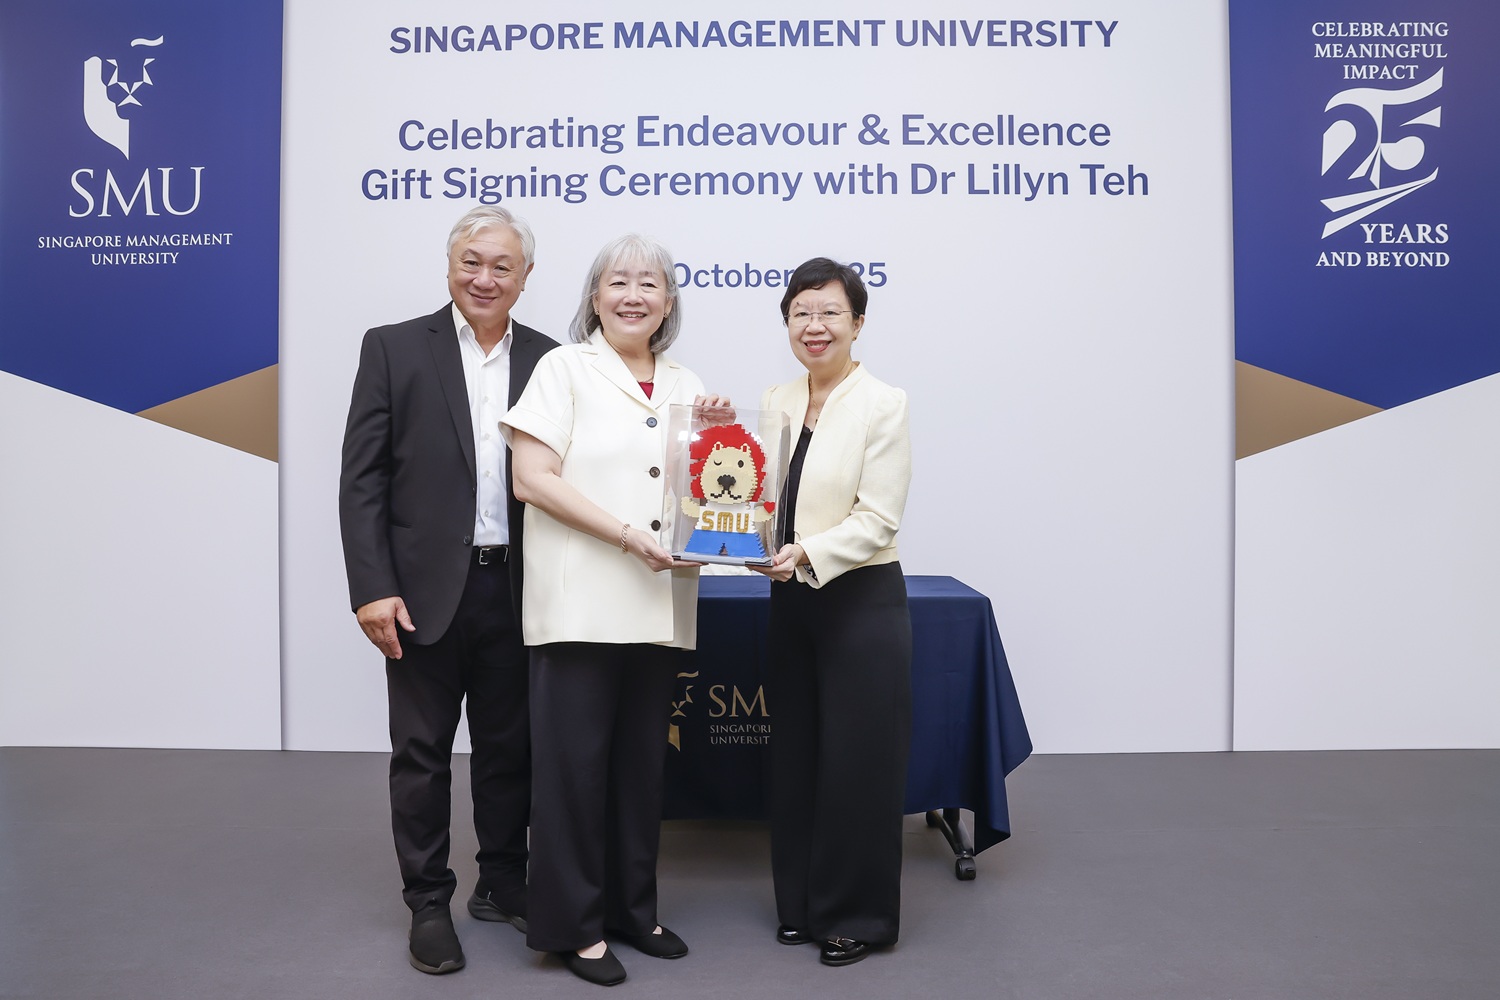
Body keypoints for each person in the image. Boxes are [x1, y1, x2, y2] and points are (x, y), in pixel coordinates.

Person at [501, 234, 726, 987]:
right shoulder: (563, 369)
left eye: (650, 284)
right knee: (572, 774)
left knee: (639, 770)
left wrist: (720, 449)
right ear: (594, 297)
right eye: (618, 281)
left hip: (659, 602)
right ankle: (572, 924)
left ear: (669, 302)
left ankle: (634, 909)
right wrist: (629, 536)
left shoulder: (690, 381)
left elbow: (712, 490)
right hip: (581, 605)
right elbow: (532, 479)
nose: (634, 295)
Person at [338, 206, 558, 976]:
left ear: (526, 278)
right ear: (449, 267)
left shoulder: (554, 360)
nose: (485, 277)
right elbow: (362, 479)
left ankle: (502, 880)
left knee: (510, 751)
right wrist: (372, 587)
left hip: (521, 590)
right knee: (423, 755)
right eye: (472, 261)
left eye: (502, 265)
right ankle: (428, 902)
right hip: (423, 594)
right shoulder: (395, 348)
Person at [753, 257, 913, 967]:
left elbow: (878, 519)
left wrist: (805, 553)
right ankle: (801, 905)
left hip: (857, 599)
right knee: (795, 758)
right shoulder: (776, 399)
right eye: (801, 314)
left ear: (857, 323)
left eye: (829, 313)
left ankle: (857, 916)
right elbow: (756, 495)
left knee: (857, 764)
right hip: (789, 599)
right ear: (787, 322)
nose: (814, 327)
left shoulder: (885, 403)